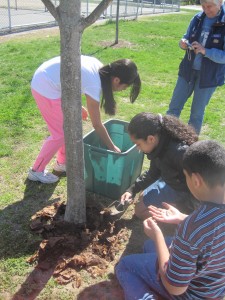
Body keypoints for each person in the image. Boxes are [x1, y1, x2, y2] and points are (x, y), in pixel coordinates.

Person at [116, 140, 225, 300]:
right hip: (215, 285)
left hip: (192, 294)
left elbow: (175, 287)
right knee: (148, 246)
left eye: (186, 177)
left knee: (125, 266)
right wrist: (181, 218)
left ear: (196, 180)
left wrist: (158, 235)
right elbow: (213, 230)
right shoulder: (200, 222)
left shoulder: (192, 227)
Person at [27, 55, 141, 184]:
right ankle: (36, 170)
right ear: (116, 80)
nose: (122, 90)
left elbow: (73, 80)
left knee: (68, 129)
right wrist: (112, 147)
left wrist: (77, 104)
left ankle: (62, 163)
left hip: (52, 81)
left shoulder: (100, 68)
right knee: (61, 134)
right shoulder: (95, 84)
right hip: (45, 87)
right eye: (124, 87)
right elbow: (97, 124)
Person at [120, 112, 199, 219]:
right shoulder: (158, 145)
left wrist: (184, 207)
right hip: (170, 181)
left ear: (151, 139)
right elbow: (153, 173)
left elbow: (198, 185)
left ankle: (180, 211)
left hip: (183, 191)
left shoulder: (180, 153)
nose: (137, 148)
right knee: (142, 198)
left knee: (140, 212)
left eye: (138, 144)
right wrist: (132, 190)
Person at [167, 0, 225, 135]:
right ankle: (166, 141)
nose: (206, 10)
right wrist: (183, 43)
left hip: (208, 77)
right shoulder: (198, 18)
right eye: (203, 6)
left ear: (220, 3)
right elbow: (186, 37)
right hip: (187, 71)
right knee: (173, 110)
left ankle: (191, 148)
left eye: (209, 6)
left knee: (196, 115)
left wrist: (206, 51)